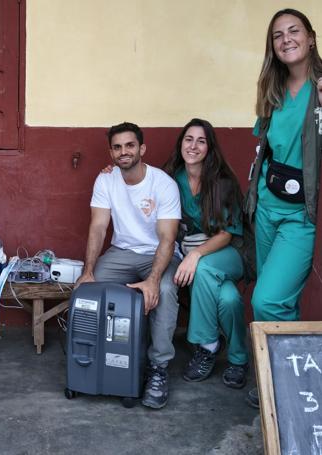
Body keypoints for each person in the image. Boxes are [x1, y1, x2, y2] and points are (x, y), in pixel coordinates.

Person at [245, 9, 322, 408]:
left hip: (301, 215)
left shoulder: (321, 89)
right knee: (285, 302)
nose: (286, 39)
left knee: (266, 300)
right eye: (277, 35)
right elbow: (264, 150)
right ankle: (287, 383)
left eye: (294, 31)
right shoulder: (271, 91)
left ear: (311, 38)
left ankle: (281, 379)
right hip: (267, 207)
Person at [75, 122, 182, 409]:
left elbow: (167, 238)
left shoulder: (163, 184)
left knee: (166, 290)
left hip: (158, 254)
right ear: (111, 152)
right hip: (122, 253)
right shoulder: (106, 180)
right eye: (118, 147)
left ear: (142, 149)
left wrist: (153, 279)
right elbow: (98, 227)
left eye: (130, 145)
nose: (124, 152)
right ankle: (95, 360)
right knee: (87, 289)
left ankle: (158, 368)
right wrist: (88, 272)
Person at [163, 119, 249, 389]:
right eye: (188, 139)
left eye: (201, 141)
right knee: (229, 298)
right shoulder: (171, 178)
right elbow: (140, 181)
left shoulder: (223, 182)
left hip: (229, 252)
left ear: (210, 148)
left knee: (203, 269)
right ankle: (238, 360)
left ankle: (207, 345)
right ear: (181, 144)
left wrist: (195, 254)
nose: (193, 146)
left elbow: (227, 234)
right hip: (198, 256)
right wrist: (112, 171)